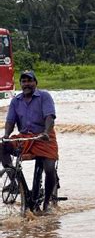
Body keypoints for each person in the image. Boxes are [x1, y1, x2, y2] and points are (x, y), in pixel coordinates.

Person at [0, 70, 58, 212]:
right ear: (20, 84)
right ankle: (15, 182)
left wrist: (45, 132)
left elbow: (50, 117)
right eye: (23, 81)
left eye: (29, 81)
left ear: (35, 83)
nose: (26, 84)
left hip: (44, 137)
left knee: (49, 169)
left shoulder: (44, 96)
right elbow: (10, 121)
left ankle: (46, 203)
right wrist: (6, 134)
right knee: (2, 147)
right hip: (25, 137)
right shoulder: (16, 101)